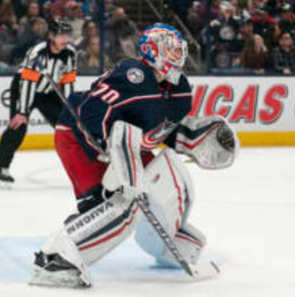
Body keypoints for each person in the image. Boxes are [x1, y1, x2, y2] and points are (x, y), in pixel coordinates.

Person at [29, 24, 238, 288]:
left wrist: (190, 139)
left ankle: (168, 242)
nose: (177, 55)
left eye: (178, 50)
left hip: (128, 143)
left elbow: (164, 130)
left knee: (169, 178)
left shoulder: (181, 90)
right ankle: (55, 259)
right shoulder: (132, 74)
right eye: (169, 49)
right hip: (78, 137)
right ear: (152, 51)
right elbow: (92, 111)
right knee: (117, 206)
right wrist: (108, 149)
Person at [0, 20, 77, 185]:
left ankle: (78, 168)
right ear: (51, 36)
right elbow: (28, 83)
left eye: (66, 35)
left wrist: (70, 109)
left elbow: (68, 83)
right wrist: (23, 112)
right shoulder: (37, 52)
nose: (64, 39)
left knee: (67, 127)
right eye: (61, 35)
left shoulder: (70, 53)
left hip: (48, 91)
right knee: (18, 125)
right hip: (23, 87)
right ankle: (2, 167)